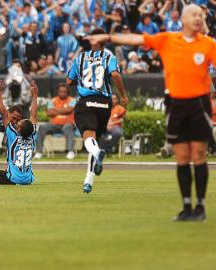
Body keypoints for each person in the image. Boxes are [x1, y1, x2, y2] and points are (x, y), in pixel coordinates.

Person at [85, 4, 216, 221]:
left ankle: (200, 208)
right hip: (176, 105)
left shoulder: (208, 44)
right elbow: (137, 39)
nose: (198, 18)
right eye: (194, 14)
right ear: (183, 19)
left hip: (199, 104)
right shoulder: (168, 39)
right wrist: (107, 37)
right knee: (182, 158)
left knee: (199, 155)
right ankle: (186, 207)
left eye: (201, 15)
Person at [66, 28, 128, 194]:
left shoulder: (81, 58)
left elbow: (69, 80)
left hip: (86, 102)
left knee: (88, 138)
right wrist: (123, 95)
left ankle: (97, 152)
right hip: (104, 103)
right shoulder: (109, 57)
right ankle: (88, 181)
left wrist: (79, 81)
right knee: (95, 139)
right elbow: (115, 75)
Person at [34, 83, 76, 160]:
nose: (62, 93)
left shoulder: (72, 100)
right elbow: (49, 113)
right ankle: (39, 152)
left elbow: (69, 110)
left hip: (67, 124)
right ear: (58, 92)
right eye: (61, 91)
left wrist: (55, 110)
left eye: (64, 92)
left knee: (68, 127)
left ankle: (70, 151)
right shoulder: (53, 100)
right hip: (54, 124)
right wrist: (64, 110)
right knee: (42, 127)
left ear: (68, 92)